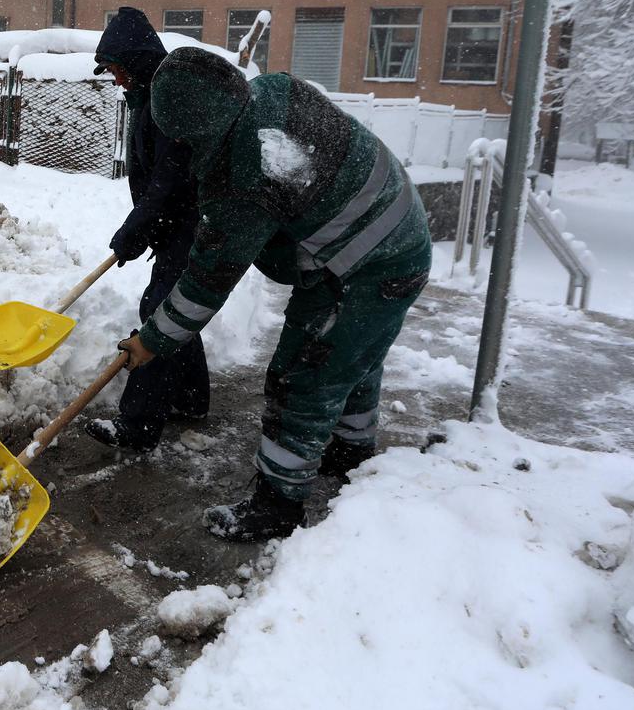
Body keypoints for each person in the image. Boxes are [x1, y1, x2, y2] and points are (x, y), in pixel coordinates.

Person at [116, 47, 431, 542]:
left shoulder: (247, 173)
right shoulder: (270, 91)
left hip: (363, 264)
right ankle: (349, 452)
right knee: (353, 357)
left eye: (183, 139)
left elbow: (205, 284)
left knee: (304, 373)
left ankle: (277, 506)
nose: (181, 149)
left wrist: (152, 340)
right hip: (399, 235)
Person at [85, 7, 208, 452]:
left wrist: (133, 233)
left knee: (159, 313)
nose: (116, 79)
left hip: (191, 224)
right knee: (176, 308)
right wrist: (142, 229)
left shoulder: (167, 102)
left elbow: (169, 183)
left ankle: (137, 427)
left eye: (119, 69)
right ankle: (192, 400)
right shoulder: (146, 97)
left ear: (136, 62)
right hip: (175, 224)